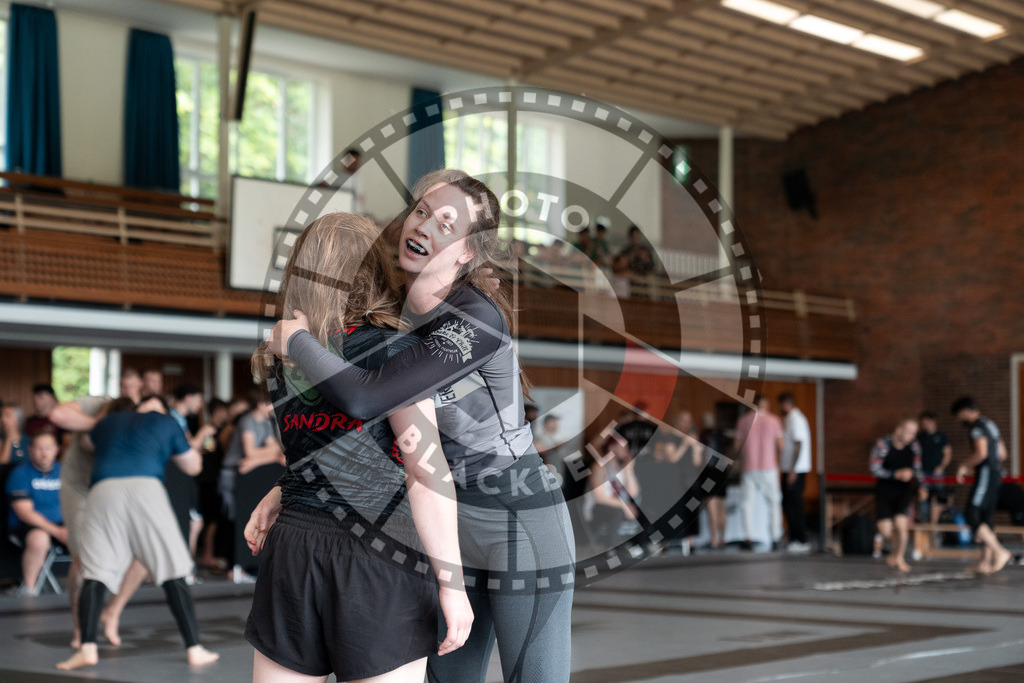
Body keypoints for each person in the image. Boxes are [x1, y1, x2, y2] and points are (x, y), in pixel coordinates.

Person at [266, 169, 575, 682]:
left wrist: (296, 340)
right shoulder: (395, 314)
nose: (427, 225)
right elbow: (363, 434)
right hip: (443, 520)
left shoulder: (476, 317)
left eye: (448, 223)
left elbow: (365, 399)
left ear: (467, 253)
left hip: (515, 515)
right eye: (423, 211)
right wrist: (286, 486)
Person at [243, 212, 472, 682]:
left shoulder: (285, 354)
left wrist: (282, 491)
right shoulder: (396, 351)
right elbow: (425, 471)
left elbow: (318, 450)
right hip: (378, 551)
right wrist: (453, 586)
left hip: (295, 546)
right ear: (376, 270)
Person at [57, 395, 219, 670]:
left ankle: (86, 647)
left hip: (102, 490)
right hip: (145, 487)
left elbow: (87, 444)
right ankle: (194, 648)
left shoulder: (107, 421)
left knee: (95, 571)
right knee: (171, 567)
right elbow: (194, 466)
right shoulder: (165, 421)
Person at [950, 397, 1013, 574]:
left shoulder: (976, 427)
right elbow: (1002, 454)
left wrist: (965, 465)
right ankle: (984, 563)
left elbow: (982, 453)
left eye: (958, 415)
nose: (958, 420)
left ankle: (999, 552)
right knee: (986, 517)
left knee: (971, 514)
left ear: (964, 411)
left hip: (986, 474)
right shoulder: (990, 424)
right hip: (996, 474)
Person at [6, 432, 66, 595]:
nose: (44, 453)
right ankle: (29, 589)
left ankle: (88, 587)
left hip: (64, 525)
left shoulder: (65, 471)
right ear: (30, 450)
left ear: (56, 450)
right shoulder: (20, 473)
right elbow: (25, 512)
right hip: (27, 526)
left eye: (48, 448)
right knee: (39, 539)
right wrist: (57, 531)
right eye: (39, 448)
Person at [641, 411, 703, 553]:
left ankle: (690, 542)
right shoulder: (670, 437)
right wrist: (685, 444)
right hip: (673, 481)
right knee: (672, 511)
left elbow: (697, 462)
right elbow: (672, 459)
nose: (685, 423)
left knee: (691, 511)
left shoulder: (692, 437)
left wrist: (696, 448)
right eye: (683, 420)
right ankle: (666, 542)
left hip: (690, 480)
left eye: (688, 420)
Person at [869, 418, 923, 573]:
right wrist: (895, 474)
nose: (911, 436)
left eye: (914, 433)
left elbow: (918, 468)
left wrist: (921, 486)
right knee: (885, 529)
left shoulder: (914, 446)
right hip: (885, 489)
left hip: (903, 491)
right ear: (899, 429)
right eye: (909, 432)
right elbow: (874, 469)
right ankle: (895, 548)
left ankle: (900, 557)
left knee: (901, 525)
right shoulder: (883, 444)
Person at [735, 395, 784, 550]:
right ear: (767, 405)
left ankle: (748, 538)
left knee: (747, 503)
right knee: (774, 503)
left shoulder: (743, 421)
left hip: (749, 467)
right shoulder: (774, 420)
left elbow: (737, 447)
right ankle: (775, 538)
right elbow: (781, 446)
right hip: (769, 467)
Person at [587, 431, 640, 545]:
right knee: (617, 512)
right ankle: (611, 549)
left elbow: (633, 494)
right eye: (623, 448)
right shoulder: (600, 467)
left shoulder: (623, 468)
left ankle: (642, 546)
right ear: (612, 448)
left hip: (620, 507)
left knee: (644, 510)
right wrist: (624, 505)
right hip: (598, 508)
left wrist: (629, 470)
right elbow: (599, 497)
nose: (626, 451)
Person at [778, 393, 812, 553]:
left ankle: (800, 539)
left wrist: (793, 470)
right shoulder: (790, 419)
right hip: (789, 469)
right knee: (788, 504)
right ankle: (793, 537)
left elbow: (799, 444)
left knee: (794, 505)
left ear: (785, 404)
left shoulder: (797, 420)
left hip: (795, 470)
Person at [916, 411, 952, 530]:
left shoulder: (941, 436)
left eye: (926, 423)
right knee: (923, 497)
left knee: (939, 497)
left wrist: (941, 466)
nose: (925, 426)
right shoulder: (920, 437)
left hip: (937, 473)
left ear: (933, 422)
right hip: (923, 472)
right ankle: (924, 522)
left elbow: (947, 453)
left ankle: (935, 523)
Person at [699, 412, 728, 548]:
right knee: (721, 506)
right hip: (722, 472)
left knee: (712, 505)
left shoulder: (705, 436)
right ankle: (723, 538)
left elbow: (703, 457)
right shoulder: (722, 435)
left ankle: (714, 539)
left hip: (709, 472)